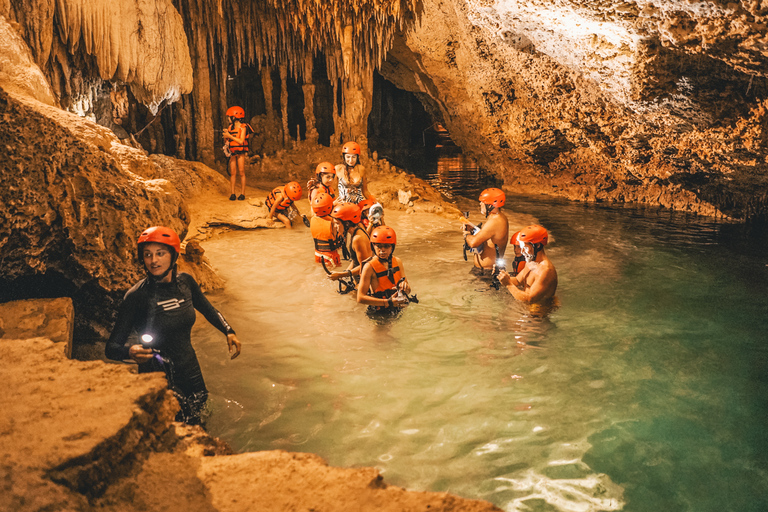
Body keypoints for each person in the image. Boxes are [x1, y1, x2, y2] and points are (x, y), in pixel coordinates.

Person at [105, 226, 242, 425]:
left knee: (200, 421)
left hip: (190, 369)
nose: (154, 261)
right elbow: (111, 348)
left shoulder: (186, 283)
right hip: (156, 376)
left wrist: (228, 331)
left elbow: (208, 309)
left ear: (173, 255)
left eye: (160, 253)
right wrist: (130, 352)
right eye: (148, 255)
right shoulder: (136, 296)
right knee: (169, 428)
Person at [357, 226, 412, 314]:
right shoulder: (369, 267)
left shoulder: (397, 261)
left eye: (386, 246)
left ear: (392, 247)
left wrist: (406, 287)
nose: (382, 250)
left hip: (397, 308)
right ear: (373, 246)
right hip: (380, 312)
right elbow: (360, 298)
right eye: (378, 246)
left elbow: (408, 290)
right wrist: (388, 302)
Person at [498, 224, 558, 304]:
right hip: (525, 307)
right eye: (521, 247)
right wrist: (501, 276)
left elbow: (530, 299)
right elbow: (517, 281)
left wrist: (508, 284)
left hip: (536, 314)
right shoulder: (531, 262)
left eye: (525, 248)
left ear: (537, 245)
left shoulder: (546, 271)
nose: (522, 252)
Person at [462, 188, 509, 273]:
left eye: (483, 202)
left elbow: (473, 243)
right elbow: (488, 236)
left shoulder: (496, 221)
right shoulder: (497, 218)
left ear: (490, 205)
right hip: (485, 271)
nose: (480, 204)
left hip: (487, 273)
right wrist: (473, 229)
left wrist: (466, 234)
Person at [328, 202, 372, 283]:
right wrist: (344, 272)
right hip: (360, 277)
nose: (335, 226)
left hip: (364, 281)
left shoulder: (357, 239)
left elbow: (365, 266)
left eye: (337, 223)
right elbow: (356, 261)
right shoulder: (357, 229)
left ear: (347, 223)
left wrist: (341, 275)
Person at [222, 106, 253, 201]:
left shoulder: (243, 127)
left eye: (229, 117)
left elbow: (241, 140)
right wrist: (226, 136)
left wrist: (229, 135)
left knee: (242, 172)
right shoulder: (230, 127)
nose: (228, 119)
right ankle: (232, 193)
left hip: (241, 152)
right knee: (233, 173)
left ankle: (242, 193)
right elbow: (226, 141)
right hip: (232, 152)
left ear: (234, 117)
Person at [310, 192, 343, 268]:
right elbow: (338, 238)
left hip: (317, 253)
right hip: (330, 255)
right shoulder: (333, 222)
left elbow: (320, 210)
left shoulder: (313, 218)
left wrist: (331, 204)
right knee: (335, 274)